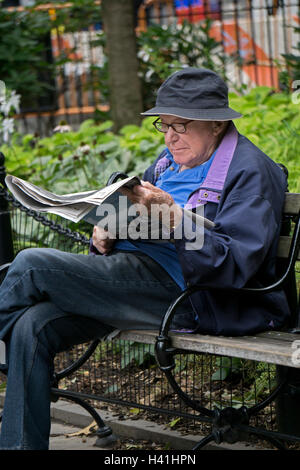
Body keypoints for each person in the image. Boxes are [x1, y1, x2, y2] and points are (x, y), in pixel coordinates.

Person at [0, 67, 289, 449]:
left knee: (31, 265)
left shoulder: (251, 172)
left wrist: (175, 219)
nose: (170, 136)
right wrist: (105, 225)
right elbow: (137, 210)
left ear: (217, 123)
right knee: (33, 326)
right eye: (164, 125)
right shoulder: (170, 161)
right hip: (136, 276)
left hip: (194, 296)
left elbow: (233, 264)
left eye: (181, 125)